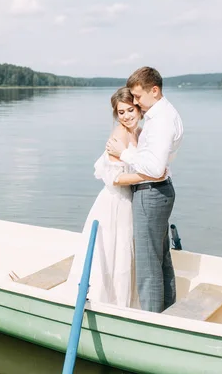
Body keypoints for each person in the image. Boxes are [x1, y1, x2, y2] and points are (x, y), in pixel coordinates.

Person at [67, 86, 165, 308]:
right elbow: (114, 178)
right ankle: (109, 303)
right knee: (115, 252)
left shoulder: (140, 133)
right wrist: (147, 176)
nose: (127, 116)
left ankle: (129, 303)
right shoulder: (118, 136)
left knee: (126, 253)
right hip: (115, 202)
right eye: (121, 112)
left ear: (138, 108)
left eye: (130, 110)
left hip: (131, 201)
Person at [106, 66, 184, 313]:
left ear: (154, 90)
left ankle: (151, 321)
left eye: (138, 97)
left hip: (151, 193)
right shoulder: (162, 114)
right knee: (161, 260)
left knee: (148, 265)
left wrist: (124, 152)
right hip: (159, 190)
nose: (136, 103)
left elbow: (154, 167)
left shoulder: (160, 121)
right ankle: (168, 312)